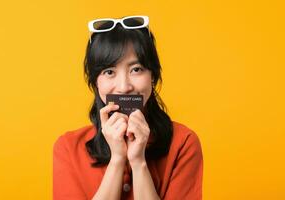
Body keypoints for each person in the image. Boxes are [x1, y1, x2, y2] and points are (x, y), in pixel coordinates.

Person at [53, 15, 203, 200]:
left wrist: (138, 162)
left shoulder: (183, 143)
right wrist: (117, 160)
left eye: (136, 69)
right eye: (109, 72)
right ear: (95, 83)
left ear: (153, 76)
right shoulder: (68, 148)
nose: (124, 86)